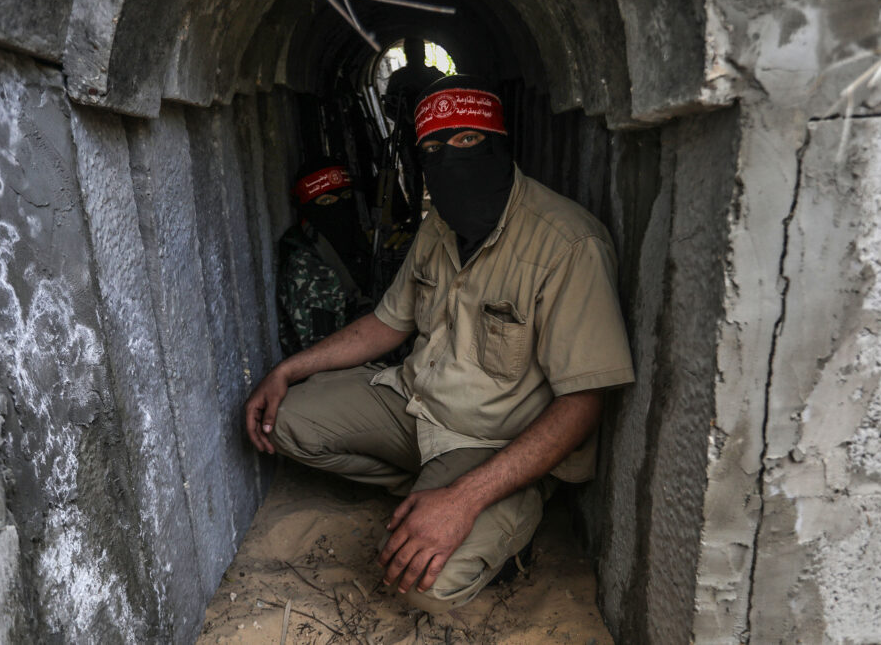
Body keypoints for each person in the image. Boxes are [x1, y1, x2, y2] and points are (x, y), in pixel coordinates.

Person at [246, 75, 634, 614]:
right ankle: (425, 487)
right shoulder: (439, 224)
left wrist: (465, 497)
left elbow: (583, 404)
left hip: (488, 443)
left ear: (499, 143)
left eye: (468, 141)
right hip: (413, 404)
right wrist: (288, 369)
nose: (448, 159)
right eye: (431, 148)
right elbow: (387, 325)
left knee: (422, 586)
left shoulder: (568, 244)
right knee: (281, 421)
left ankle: (495, 506)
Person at [277, 158, 371, 356]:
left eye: (346, 197)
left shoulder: (352, 246)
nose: (340, 208)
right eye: (326, 201)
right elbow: (323, 352)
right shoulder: (308, 267)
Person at [384, 38, 445, 221]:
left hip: (432, 132)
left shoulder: (434, 76)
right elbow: (389, 107)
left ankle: (439, 213)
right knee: (413, 175)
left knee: (436, 172)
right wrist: (406, 118)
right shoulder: (399, 78)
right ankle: (416, 216)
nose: (415, 54)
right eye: (412, 50)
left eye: (417, 50)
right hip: (410, 133)